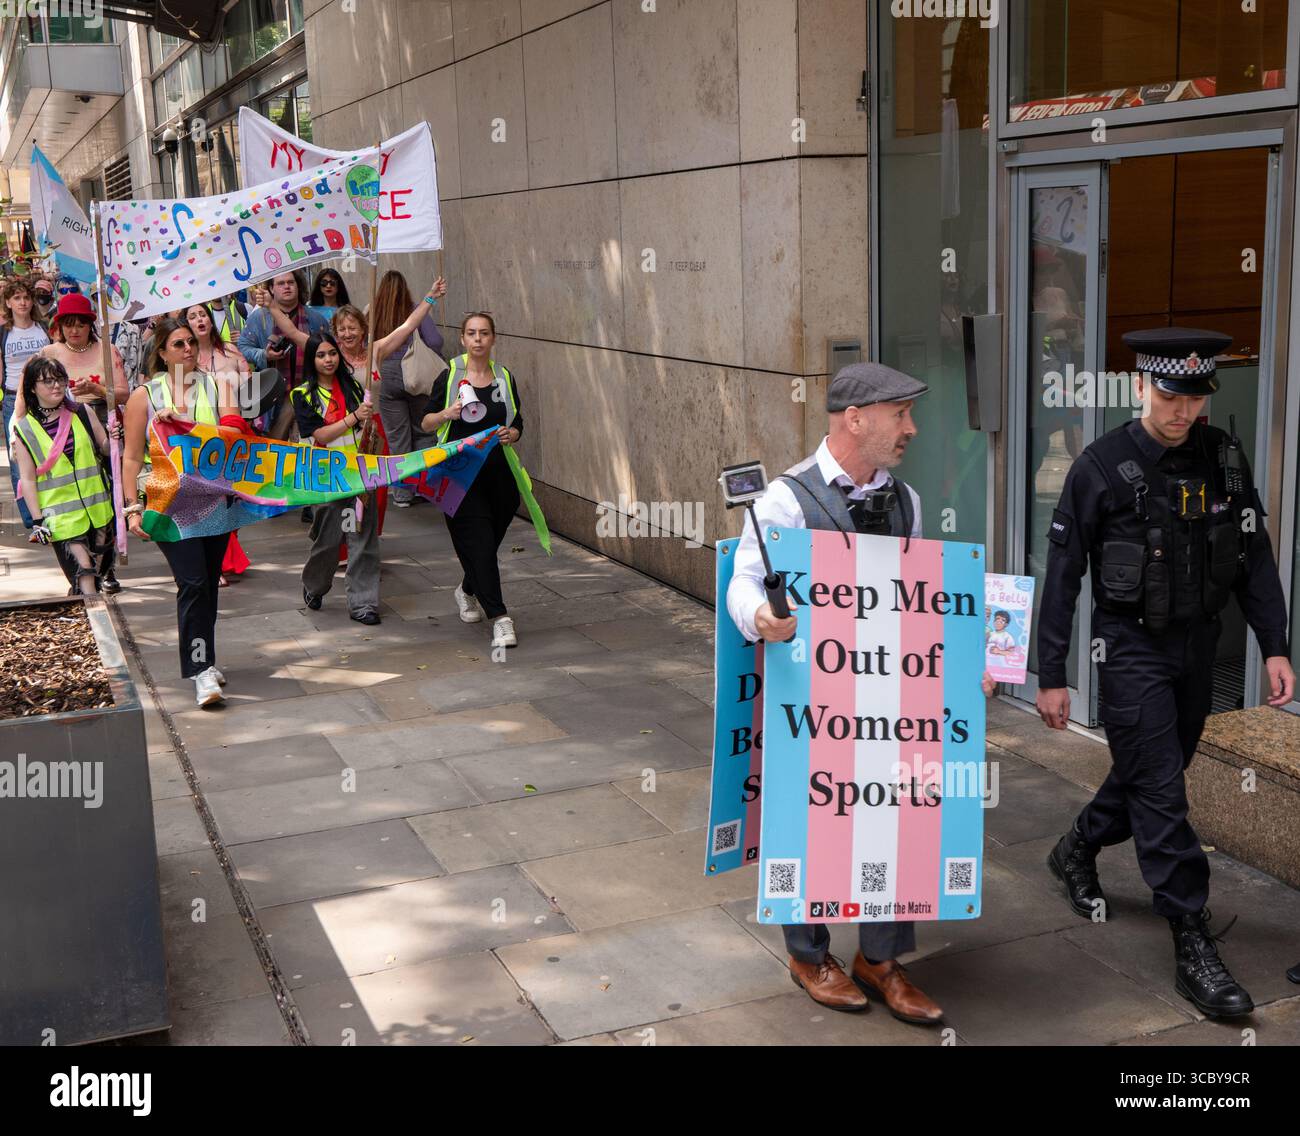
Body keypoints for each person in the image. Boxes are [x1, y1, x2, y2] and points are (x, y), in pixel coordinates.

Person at [1036, 327, 1296, 1020]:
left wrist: (1274, 643)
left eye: (1195, 397)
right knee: (1161, 793)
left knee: (1154, 769)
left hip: (1198, 648)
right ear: (1141, 388)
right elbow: (1062, 576)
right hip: (1130, 650)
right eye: (1171, 396)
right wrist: (1051, 672)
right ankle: (1191, 937)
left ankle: (1077, 847)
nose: (1184, 411)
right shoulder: (1100, 466)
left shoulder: (1224, 459)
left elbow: (1254, 556)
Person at [726, 362, 996, 1025]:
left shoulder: (907, 502)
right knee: (809, 817)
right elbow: (743, 579)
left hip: (889, 698)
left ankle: (880, 958)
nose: (911, 428)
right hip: (810, 700)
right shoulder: (784, 501)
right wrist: (761, 617)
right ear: (855, 418)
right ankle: (808, 954)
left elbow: (924, 594)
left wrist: (967, 663)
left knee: (893, 814)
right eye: (900, 414)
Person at [121, 318, 238, 708]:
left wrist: (188, 428)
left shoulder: (216, 384)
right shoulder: (144, 396)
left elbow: (237, 435)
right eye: (178, 343)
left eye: (191, 342)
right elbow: (132, 456)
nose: (188, 348)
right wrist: (132, 509)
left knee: (207, 582)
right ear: (161, 351)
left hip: (213, 500)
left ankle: (206, 656)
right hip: (170, 506)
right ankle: (200, 669)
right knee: (191, 583)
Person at [421, 312, 524, 649]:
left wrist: (514, 432)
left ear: (493, 338)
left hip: (500, 475)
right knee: (479, 542)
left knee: (487, 544)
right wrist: (446, 414)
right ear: (463, 339)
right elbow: (426, 423)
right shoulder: (449, 376)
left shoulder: (504, 377)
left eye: (484, 333)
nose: (477, 339)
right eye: (471, 333)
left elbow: (518, 419)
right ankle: (501, 618)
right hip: (459, 476)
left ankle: (467, 589)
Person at [36, 293, 129, 591]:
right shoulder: (49, 352)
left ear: (90, 325)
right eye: (68, 324)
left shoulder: (107, 350)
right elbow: (32, 391)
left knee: (108, 499)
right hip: (60, 427)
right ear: (59, 326)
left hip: (101, 422)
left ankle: (106, 567)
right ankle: (81, 569)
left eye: (80, 324)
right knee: (72, 499)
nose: (74, 331)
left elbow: (125, 393)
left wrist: (98, 389)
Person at [291, 332, 383, 625]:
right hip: (327, 480)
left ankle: (363, 604)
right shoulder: (303, 395)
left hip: (359, 476)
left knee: (362, 540)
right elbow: (320, 435)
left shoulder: (355, 386)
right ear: (312, 360)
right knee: (329, 542)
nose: (328, 359)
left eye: (332, 353)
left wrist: (367, 423)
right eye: (321, 355)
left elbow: (364, 426)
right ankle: (315, 585)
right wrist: (355, 417)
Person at [10, 356, 117, 594]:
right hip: (62, 519)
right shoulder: (25, 429)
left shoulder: (82, 412)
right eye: (47, 381)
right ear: (32, 387)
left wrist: (115, 437)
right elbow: (27, 479)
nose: (56, 386)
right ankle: (96, 620)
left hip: (99, 511)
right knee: (85, 572)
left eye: (59, 379)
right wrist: (38, 522)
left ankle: (88, 617)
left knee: (98, 573)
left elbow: (105, 448)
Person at [184, 302, 253, 585]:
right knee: (212, 498)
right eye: (192, 316)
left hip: (237, 430)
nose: (199, 319)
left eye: (202, 314)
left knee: (233, 497)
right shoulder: (184, 358)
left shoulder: (231, 350)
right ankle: (218, 561)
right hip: (203, 438)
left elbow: (252, 387)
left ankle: (224, 553)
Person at [368, 271, 447, 506]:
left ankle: (402, 494)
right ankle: (424, 488)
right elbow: (433, 341)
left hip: (385, 378)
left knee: (397, 437)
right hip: (416, 377)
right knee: (423, 431)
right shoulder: (415, 308)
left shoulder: (373, 310)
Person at [236, 270, 328, 437]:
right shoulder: (258, 318)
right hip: (271, 398)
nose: (287, 286)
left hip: (309, 394)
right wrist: (264, 355)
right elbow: (243, 347)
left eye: (291, 282)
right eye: (280, 283)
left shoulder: (316, 319)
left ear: (298, 286)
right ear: (271, 289)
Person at [2, 278, 51, 528]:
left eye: (26, 297)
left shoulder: (43, 328)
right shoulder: (4, 333)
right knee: (18, 460)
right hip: (13, 399)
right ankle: (31, 519)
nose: (22, 302)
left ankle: (50, 508)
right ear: (8, 303)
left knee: (48, 455)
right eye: (17, 298)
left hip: (46, 398)